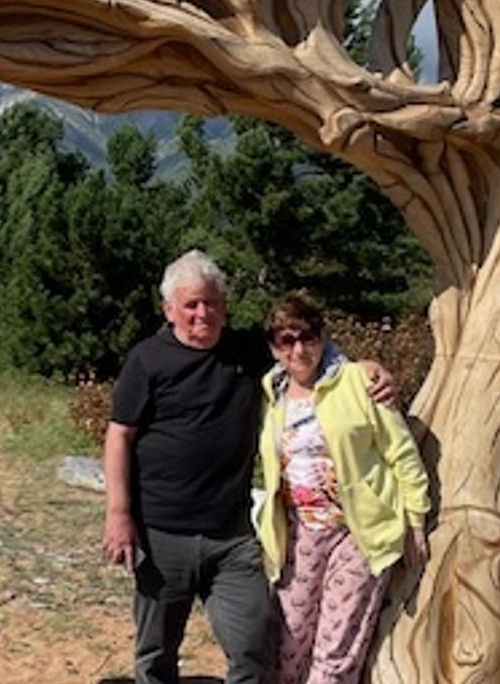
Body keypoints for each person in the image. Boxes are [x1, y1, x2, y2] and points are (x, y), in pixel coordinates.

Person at [103, 250, 399, 684]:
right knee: (156, 653)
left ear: (224, 304)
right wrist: (118, 515)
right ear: (169, 310)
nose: (202, 313)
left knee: (254, 643)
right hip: (161, 531)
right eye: (190, 305)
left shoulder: (244, 351)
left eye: (211, 302)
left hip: (232, 538)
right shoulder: (147, 360)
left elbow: (302, 351)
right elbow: (119, 435)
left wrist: (361, 369)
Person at [255, 290, 430, 684]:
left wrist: (415, 519)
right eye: (287, 339)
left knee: (335, 650)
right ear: (274, 346)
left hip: (358, 532)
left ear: (322, 335)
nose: (299, 349)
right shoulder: (273, 393)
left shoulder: (358, 381)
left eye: (308, 336)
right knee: (288, 640)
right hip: (299, 533)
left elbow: (400, 451)